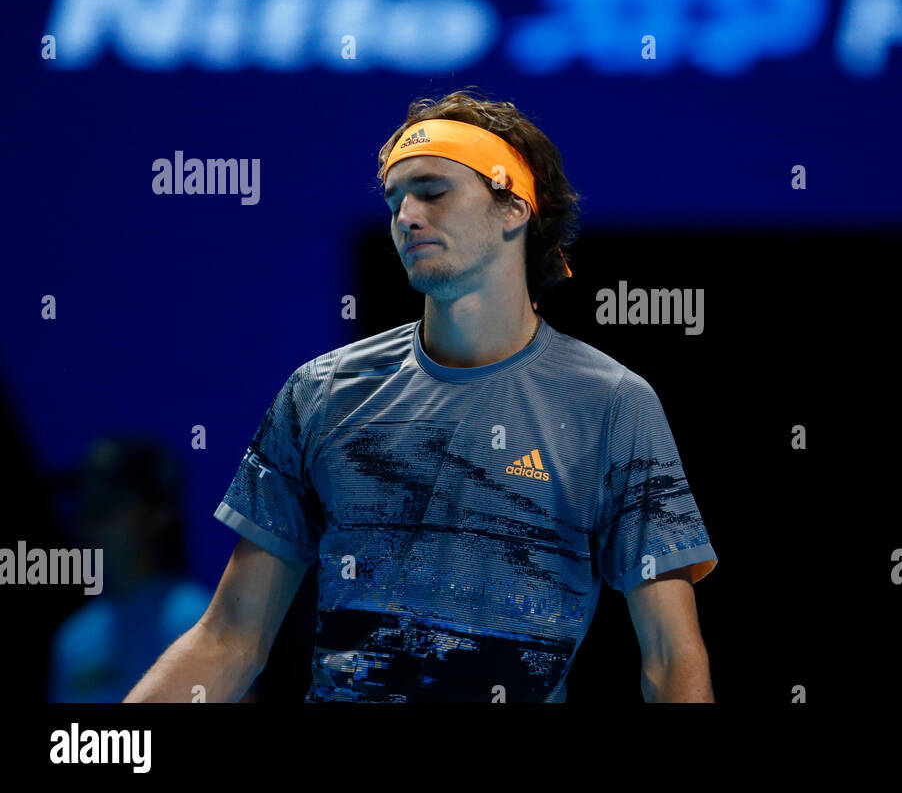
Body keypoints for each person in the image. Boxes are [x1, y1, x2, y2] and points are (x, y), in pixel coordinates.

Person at [125, 89, 718, 703]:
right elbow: (229, 639)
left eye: (434, 192)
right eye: (395, 200)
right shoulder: (321, 394)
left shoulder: (612, 404)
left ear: (514, 207)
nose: (407, 216)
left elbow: (672, 660)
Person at [51, 436, 213, 702]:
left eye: (108, 502)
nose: (92, 518)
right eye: (87, 503)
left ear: (158, 513)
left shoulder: (198, 619)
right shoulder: (73, 638)